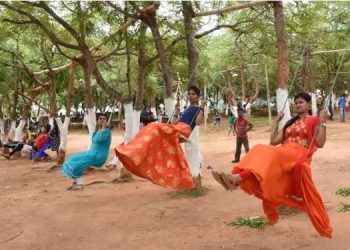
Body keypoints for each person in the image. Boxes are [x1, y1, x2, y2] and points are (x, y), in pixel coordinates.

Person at [212, 92, 332, 238]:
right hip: (283, 151)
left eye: (301, 102)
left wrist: (323, 121)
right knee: (260, 148)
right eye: (296, 102)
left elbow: (320, 143)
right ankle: (237, 178)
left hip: (298, 153)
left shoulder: (313, 120)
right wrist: (276, 121)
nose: (298, 104)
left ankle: (237, 179)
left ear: (308, 105)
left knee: (269, 152)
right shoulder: (291, 122)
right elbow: (274, 141)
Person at [115, 86, 206, 190]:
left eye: (193, 94)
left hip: (183, 131)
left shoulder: (198, 109)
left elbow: (198, 122)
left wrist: (202, 107)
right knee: (152, 131)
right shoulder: (187, 109)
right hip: (175, 128)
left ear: (198, 96)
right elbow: (174, 123)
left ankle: (132, 151)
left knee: (153, 126)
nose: (190, 96)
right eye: (189, 94)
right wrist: (176, 113)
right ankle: (134, 152)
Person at [60, 114, 111, 190]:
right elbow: (94, 141)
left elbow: (99, 140)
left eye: (104, 119)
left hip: (98, 156)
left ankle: (79, 185)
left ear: (106, 121)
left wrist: (103, 127)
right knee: (74, 159)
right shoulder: (97, 131)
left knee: (78, 163)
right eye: (100, 118)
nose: (102, 120)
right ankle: (76, 183)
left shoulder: (107, 131)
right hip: (92, 153)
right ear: (97, 121)